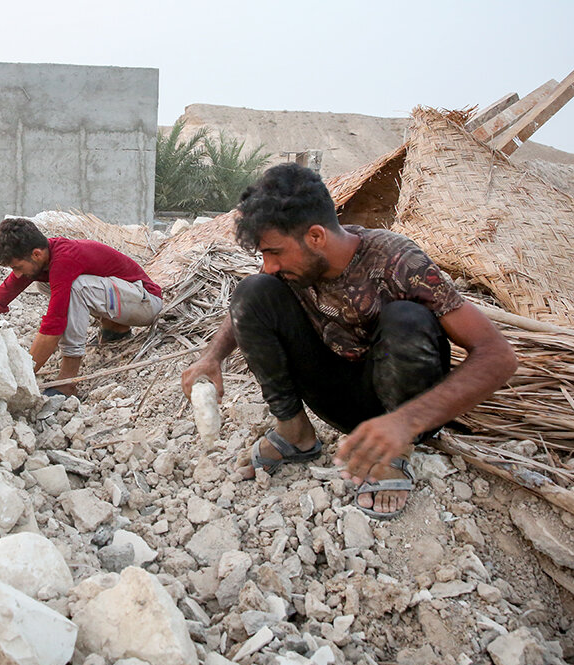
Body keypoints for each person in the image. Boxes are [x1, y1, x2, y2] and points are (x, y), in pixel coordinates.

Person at [181, 163, 516, 519]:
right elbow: (248, 310)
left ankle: (395, 453)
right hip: (338, 398)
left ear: (315, 236)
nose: (269, 265)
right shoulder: (296, 267)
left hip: (405, 412)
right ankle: (294, 432)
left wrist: (406, 421)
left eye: (274, 252)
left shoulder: (399, 261)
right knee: (253, 291)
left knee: (407, 318)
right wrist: (212, 357)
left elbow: (499, 356)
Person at [0, 217, 163, 396]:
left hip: (147, 304)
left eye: (17, 267)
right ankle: (115, 331)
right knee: (44, 283)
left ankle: (67, 381)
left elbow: (54, 325)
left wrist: (24, 374)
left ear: (36, 254)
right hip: (127, 302)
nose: (17, 274)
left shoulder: (64, 260)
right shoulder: (44, 256)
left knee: (78, 287)